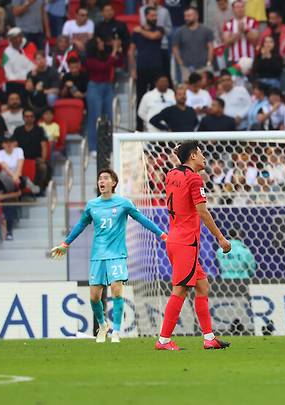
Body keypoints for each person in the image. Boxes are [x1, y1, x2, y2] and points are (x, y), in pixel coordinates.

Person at [50, 169, 167, 343]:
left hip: (117, 254)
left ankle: (117, 332)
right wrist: (66, 244)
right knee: (94, 297)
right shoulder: (92, 205)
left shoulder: (123, 203)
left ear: (113, 183)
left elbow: (142, 219)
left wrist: (162, 234)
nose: (101, 181)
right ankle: (103, 326)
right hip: (97, 256)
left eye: (105, 178)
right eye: (99, 179)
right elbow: (80, 225)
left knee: (116, 290)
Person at [156, 141, 231, 351]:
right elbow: (203, 211)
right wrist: (220, 238)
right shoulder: (194, 179)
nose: (204, 157)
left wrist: (179, 154)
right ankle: (163, 340)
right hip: (186, 242)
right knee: (180, 290)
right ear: (192, 156)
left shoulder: (171, 174)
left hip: (174, 238)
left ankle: (209, 338)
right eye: (200, 153)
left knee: (202, 285)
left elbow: (178, 164)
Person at [129, 6, 165, 130]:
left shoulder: (159, 29)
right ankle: (139, 127)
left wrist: (141, 31)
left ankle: (158, 125)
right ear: (146, 16)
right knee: (140, 97)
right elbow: (131, 52)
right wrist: (133, 70)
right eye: (152, 16)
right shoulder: (136, 32)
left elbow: (154, 36)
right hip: (142, 68)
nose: (154, 18)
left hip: (156, 68)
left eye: (155, 16)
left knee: (157, 96)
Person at [85, 35, 121, 154]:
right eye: (99, 42)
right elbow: (103, 67)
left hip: (107, 87)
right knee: (95, 118)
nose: (102, 44)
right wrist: (114, 51)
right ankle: (93, 147)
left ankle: (108, 146)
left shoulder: (104, 56)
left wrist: (118, 50)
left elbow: (117, 62)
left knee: (109, 118)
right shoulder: (89, 60)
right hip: (95, 87)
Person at [172, 7, 214, 83]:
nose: (186, 18)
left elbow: (211, 47)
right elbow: (175, 47)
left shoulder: (206, 30)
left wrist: (209, 62)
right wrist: (180, 62)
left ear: (196, 16)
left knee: (205, 88)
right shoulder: (179, 32)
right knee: (188, 89)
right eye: (185, 16)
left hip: (203, 67)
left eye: (189, 16)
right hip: (187, 68)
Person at [12, 109, 49, 192]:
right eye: (27, 116)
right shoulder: (18, 130)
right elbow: (14, 145)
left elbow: (44, 146)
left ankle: (39, 188)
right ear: (23, 118)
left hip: (36, 158)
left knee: (43, 167)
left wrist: (43, 159)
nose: (29, 118)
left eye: (31, 116)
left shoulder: (39, 130)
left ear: (34, 118)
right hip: (21, 159)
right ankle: (20, 190)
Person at [222, 0, 259, 64]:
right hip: (234, 60)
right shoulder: (228, 24)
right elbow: (226, 43)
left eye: (242, 7)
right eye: (237, 7)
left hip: (250, 59)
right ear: (233, 9)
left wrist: (245, 31)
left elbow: (255, 41)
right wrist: (239, 33)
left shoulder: (252, 22)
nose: (240, 9)